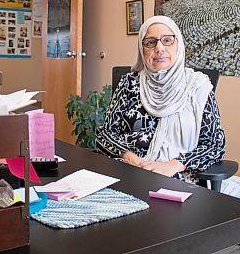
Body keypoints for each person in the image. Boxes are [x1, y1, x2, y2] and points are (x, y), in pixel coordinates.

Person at [96, 16, 225, 183]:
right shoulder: (129, 83)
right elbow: (105, 134)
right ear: (142, 50)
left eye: (167, 40)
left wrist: (173, 165)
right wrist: (132, 159)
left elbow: (214, 145)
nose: (159, 48)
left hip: (175, 177)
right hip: (127, 170)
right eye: (150, 42)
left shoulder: (197, 87)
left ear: (178, 44)